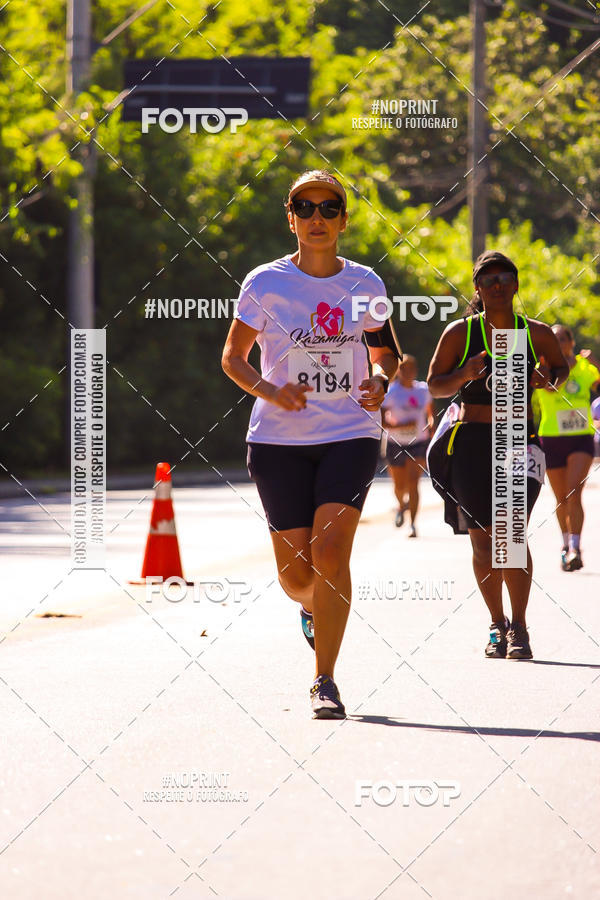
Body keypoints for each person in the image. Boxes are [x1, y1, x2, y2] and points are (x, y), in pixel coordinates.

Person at [221, 170, 400, 719]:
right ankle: (311, 606)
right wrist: (273, 391)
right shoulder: (265, 283)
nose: (317, 218)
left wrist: (380, 382)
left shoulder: (364, 285)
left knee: (330, 553)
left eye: (329, 208)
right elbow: (233, 359)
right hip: (277, 441)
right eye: (306, 207)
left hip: (349, 432)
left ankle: (325, 679)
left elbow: (386, 353)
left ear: (344, 219)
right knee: (297, 577)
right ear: (291, 217)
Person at [426, 250, 568, 660]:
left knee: (511, 536)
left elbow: (561, 366)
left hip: (517, 439)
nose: (498, 285)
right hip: (471, 441)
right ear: (478, 289)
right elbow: (434, 384)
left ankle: (520, 627)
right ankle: (496, 624)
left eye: (505, 277)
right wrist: (464, 374)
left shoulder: (535, 332)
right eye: (489, 280)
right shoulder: (461, 333)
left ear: (516, 284)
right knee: (483, 540)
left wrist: (548, 379)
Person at [534, 326, 600, 571]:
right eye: (554, 340)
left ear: (571, 342)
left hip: (580, 437)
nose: (559, 343)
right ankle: (564, 545)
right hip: (551, 439)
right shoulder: (543, 368)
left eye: (563, 339)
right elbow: (549, 387)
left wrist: (596, 363)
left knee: (574, 492)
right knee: (561, 498)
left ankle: (576, 547)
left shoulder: (585, 368)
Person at [382, 355, 434, 536]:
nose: (408, 372)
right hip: (395, 442)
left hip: (418, 442)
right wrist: (401, 426)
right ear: (398, 371)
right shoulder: (390, 391)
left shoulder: (423, 390)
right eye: (404, 369)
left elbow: (430, 415)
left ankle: (413, 524)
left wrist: (433, 432)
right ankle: (401, 504)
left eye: (412, 369)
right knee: (399, 486)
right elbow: (381, 422)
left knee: (413, 482)